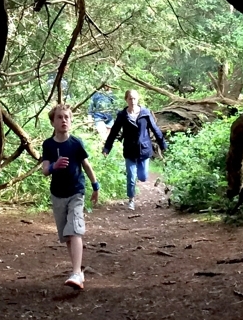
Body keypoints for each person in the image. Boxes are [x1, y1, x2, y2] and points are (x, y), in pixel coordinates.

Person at [41, 103, 99, 289]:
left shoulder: (75, 143)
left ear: (71, 120)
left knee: (75, 229)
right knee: (67, 235)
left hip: (76, 191)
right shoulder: (48, 145)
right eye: (59, 117)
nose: (63, 120)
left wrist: (95, 185)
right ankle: (78, 272)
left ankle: (75, 273)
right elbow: (44, 170)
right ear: (53, 122)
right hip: (58, 194)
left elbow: (86, 165)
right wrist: (53, 166)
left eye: (66, 117)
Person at [102, 89, 166, 210]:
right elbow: (114, 131)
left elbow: (155, 129)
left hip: (144, 150)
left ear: (138, 99)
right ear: (126, 99)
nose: (132, 101)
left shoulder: (145, 113)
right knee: (131, 176)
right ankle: (131, 200)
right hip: (129, 150)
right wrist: (107, 148)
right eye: (130, 98)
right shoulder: (122, 115)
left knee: (142, 177)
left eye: (134, 98)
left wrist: (162, 145)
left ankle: (139, 177)